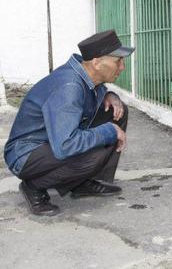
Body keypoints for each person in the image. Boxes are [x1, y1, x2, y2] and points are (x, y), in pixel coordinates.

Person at [3, 29, 134, 216]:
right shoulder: (69, 86)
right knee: (94, 154)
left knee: (117, 112)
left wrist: (108, 94)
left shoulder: (83, 73)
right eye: (117, 61)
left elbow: (90, 90)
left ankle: (82, 183)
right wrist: (109, 132)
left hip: (50, 140)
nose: (122, 67)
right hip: (26, 154)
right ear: (96, 63)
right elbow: (66, 144)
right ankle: (33, 186)